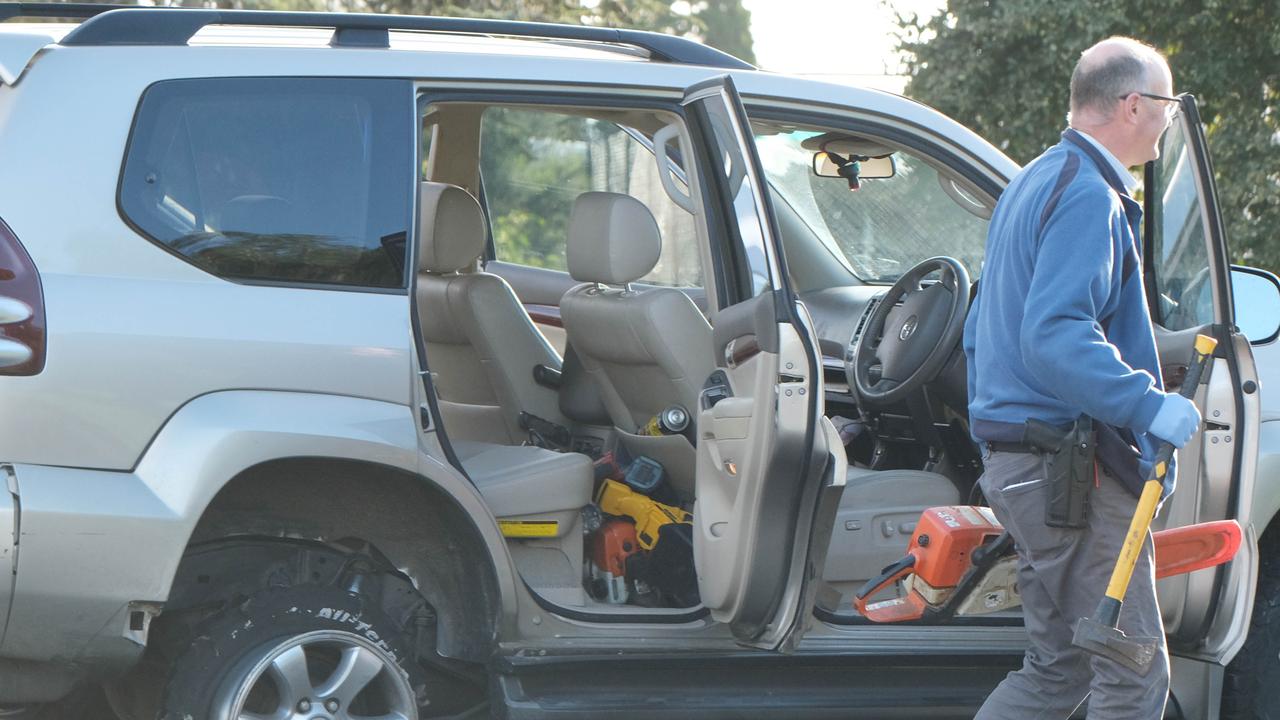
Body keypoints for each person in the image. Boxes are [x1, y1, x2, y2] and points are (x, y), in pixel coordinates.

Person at [962, 37, 1203, 719]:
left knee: (1060, 671)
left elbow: (985, 330)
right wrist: (1146, 404)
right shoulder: (1089, 197)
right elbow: (1054, 335)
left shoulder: (1038, 180)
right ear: (1133, 105)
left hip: (1030, 468)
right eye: (1166, 107)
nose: (1165, 124)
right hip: (1067, 477)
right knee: (1133, 673)